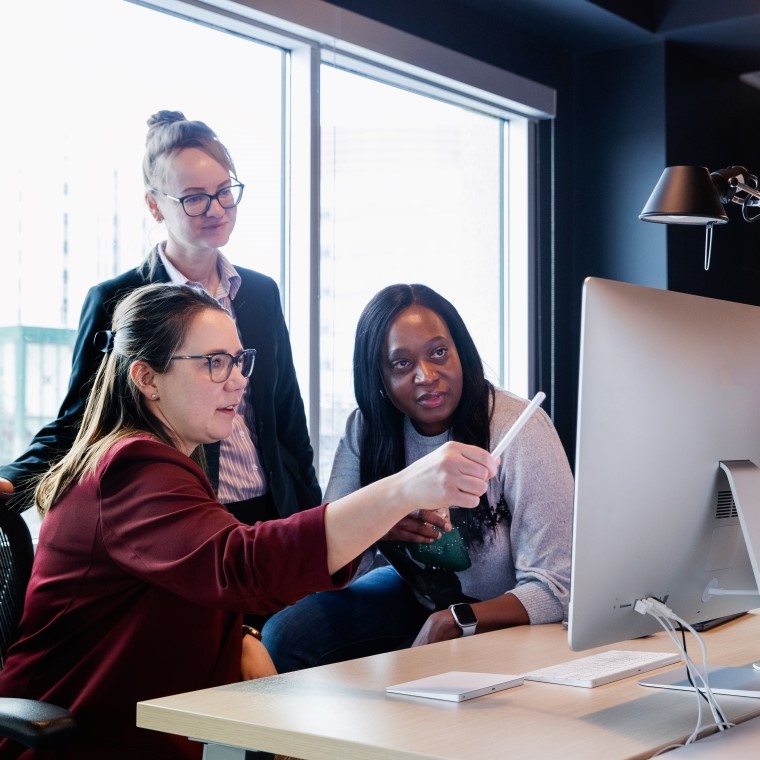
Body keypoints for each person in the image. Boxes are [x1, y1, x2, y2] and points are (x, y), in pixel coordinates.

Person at [0, 283, 496, 759]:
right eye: (214, 363)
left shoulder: (164, 464)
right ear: (147, 378)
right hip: (82, 745)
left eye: (239, 361)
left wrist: (243, 638)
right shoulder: (132, 469)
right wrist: (405, 487)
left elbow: (192, 581)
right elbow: (242, 565)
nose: (238, 379)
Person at [0, 110, 319, 526]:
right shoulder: (118, 299)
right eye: (193, 197)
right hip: (182, 513)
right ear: (154, 206)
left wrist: (316, 520)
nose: (216, 208)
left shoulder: (260, 292)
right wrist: (9, 483)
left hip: (273, 508)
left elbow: (287, 417)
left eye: (225, 191)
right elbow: (80, 421)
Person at [262, 283, 573, 672]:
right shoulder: (366, 430)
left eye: (439, 353)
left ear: (462, 352)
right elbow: (332, 564)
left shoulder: (518, 428)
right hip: (415, 594)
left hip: (506, 610)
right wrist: (377, 526)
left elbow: (558, 585)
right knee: (287, 634)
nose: (426, 375)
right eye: (401, 364)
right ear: (378, 375)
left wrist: (457, 617)